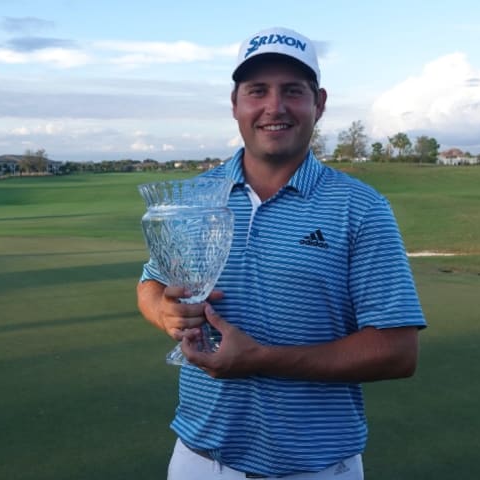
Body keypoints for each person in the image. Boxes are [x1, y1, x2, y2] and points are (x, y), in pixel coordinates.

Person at [137, 26, 426, 479]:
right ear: (235, 104)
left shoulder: (361, 208)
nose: (275, 107)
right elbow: (152, 283)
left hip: (316, 466)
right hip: (199, 459)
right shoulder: (194, 196)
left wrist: (262, 359)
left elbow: (398, 351)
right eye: (258, 91)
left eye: (293, 91)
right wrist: (164, 312)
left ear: (320, 103)